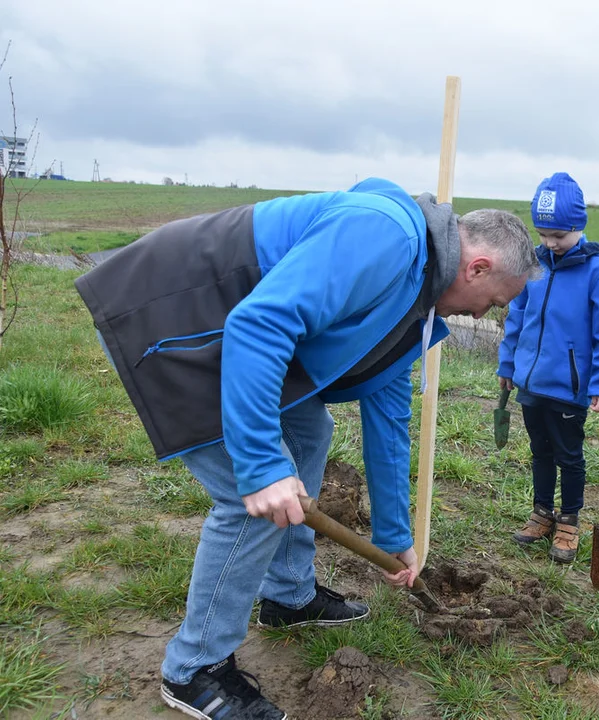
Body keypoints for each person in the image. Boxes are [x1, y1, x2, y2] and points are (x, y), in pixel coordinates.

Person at [74, 177, 538, 720]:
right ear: (477, 268)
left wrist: (394, 538)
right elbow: (260, 322)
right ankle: (195, 668)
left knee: (309, 432)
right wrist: (262, 466)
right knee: (250, 500)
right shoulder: (387, 236)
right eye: (495, 302)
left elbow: (388, 415)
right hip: (173, 316)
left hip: (234, 332)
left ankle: (288, 595)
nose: (485, 317)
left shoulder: (418, 300)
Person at [497, 172, 599, 563]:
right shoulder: (533, 264)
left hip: (570, 387)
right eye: (543, 234)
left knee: (569, 455)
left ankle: (569, 520)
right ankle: (542, 512)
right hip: (531, 382)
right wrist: (508, 362)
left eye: (559, 236)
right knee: (540, 450)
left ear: (579, 226)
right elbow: (516, 315)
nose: (550, 244)